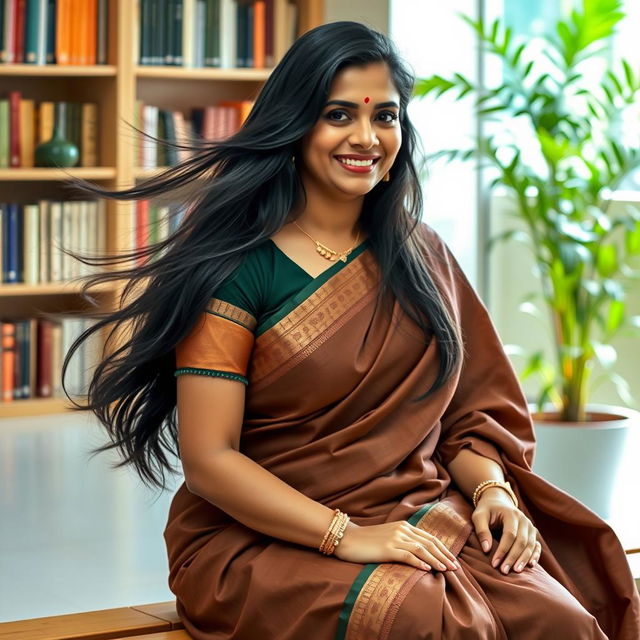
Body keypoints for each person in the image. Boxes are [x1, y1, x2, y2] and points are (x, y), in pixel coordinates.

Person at [66, 20, 639, 640]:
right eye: (339, 115)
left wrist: (492, 494)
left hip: (421, 514)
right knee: (428, 621)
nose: (366, 137)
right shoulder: (236, 270)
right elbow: (210, 461)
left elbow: (472, 416)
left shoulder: (425, 257)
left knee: (558, 618)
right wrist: (348, 536)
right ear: (296, 125)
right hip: (260, 540)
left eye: (385, 117)